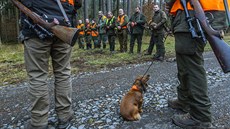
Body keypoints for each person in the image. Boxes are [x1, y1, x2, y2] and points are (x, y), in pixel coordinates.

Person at [18, 0, 82, 128]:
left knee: (38, 75)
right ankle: (65, 115)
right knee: (63, 73)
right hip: (64, 24)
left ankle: (39, 122)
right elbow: (78, 3)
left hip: (35, 27)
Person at [166, 0, 228, 128]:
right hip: (201, 10)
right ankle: (184, 100)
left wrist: (169, 3)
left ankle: (200, 115)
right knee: (185, 61)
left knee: (191, 64)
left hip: (196, 11)